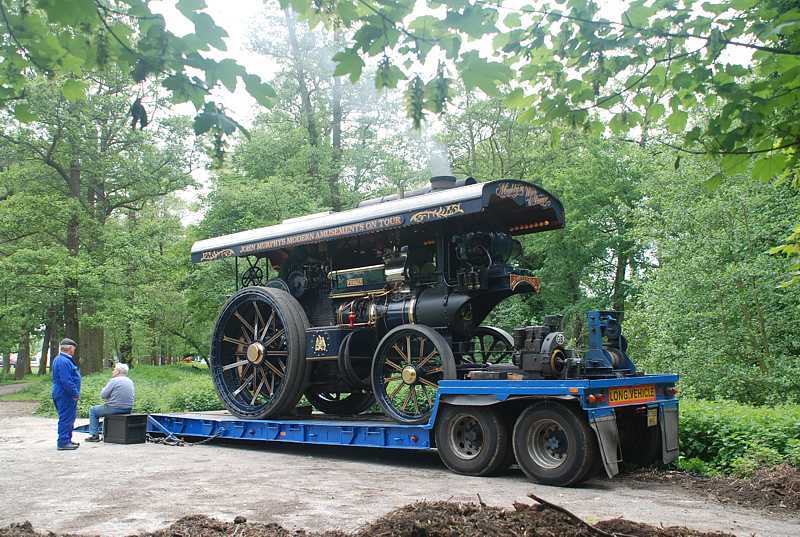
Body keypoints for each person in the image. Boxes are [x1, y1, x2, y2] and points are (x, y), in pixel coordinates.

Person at [85, 363, 135, 442]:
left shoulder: (114, 380)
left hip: (114, 408)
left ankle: (94, 435)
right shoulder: (130, 381)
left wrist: (103, 389)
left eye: (114, 369)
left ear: (118, 371)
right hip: (128, 409)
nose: (113, 371)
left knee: (93, 410)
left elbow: (103, 395)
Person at [51, 338, 81, 451]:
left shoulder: (61, 360)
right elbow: (66, 381)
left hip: (63, 393)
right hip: (65, 394)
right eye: (73, 348)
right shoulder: (64, 361)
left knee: (68, 417)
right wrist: (75, 393)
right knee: (66, 418)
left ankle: (67, 439)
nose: (74, 351)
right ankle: (63, 442)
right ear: (69, 348)